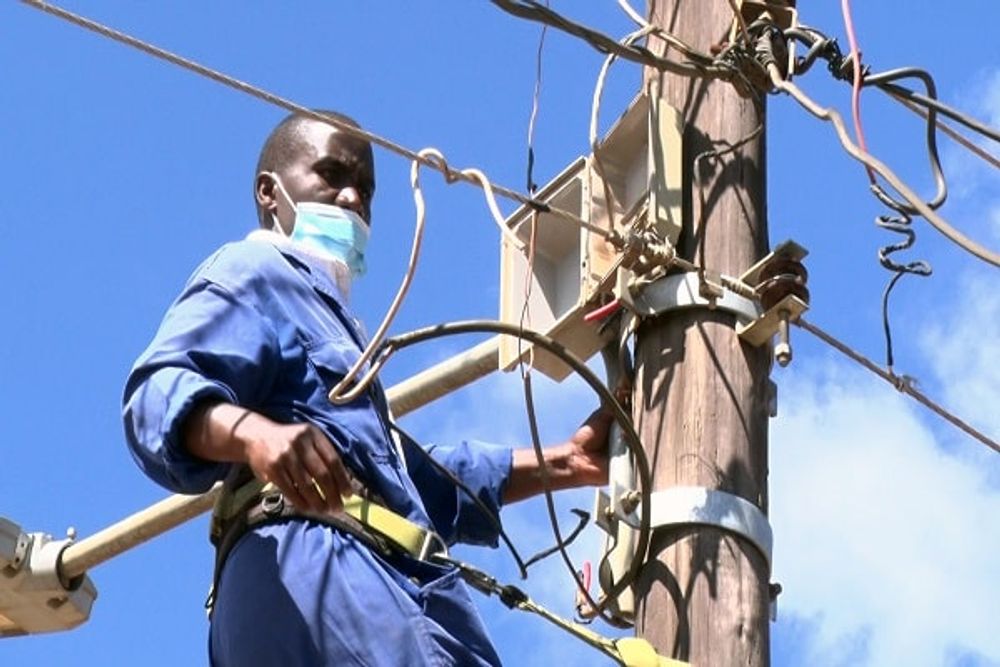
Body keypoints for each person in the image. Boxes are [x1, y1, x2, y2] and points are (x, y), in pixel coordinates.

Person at [123, 111, 612, 666]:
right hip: (323, 577)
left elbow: (416, 482)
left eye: (367, 190)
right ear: (270, 192)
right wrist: (254, 435)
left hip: (338, 582)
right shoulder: (256, 269)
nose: (353, 198)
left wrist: (566, 463)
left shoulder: (338, 331)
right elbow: (157, 394)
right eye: (332, 175)